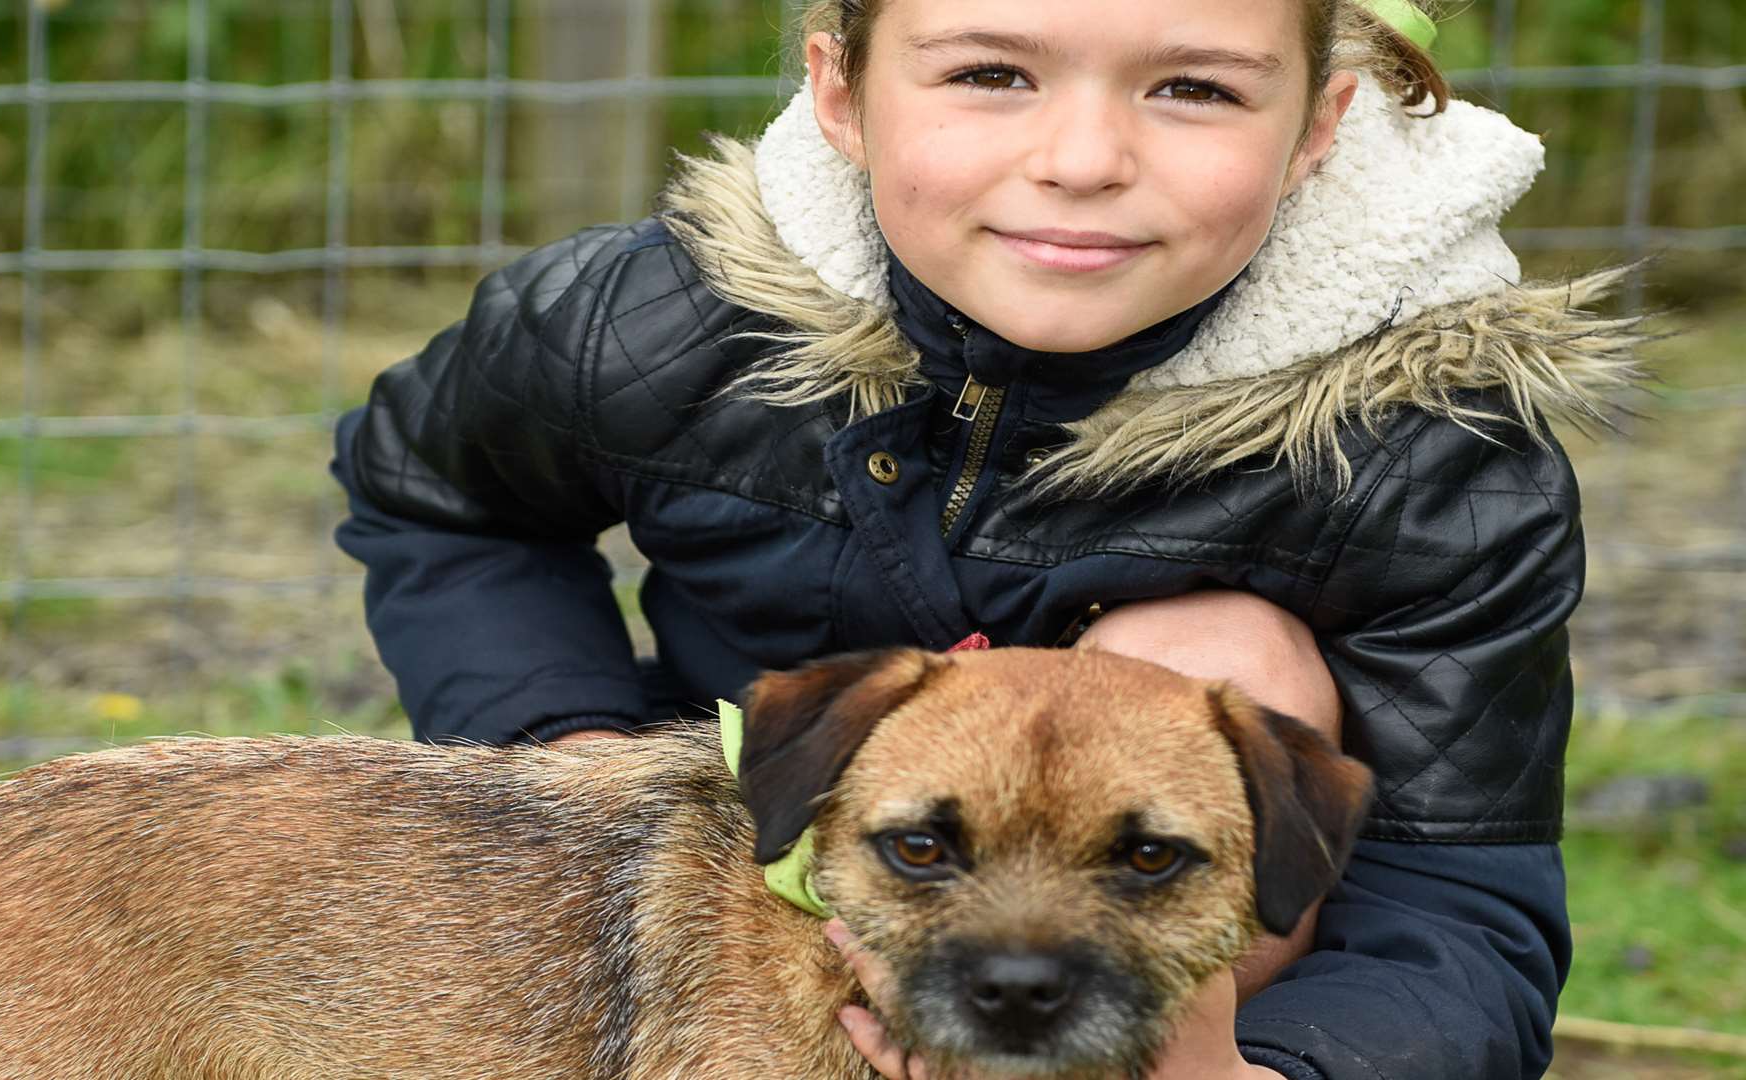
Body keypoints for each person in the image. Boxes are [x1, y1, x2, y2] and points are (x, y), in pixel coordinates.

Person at [329, 0, 1645, 1076]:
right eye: (992, 72)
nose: (1082, 160)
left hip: (1200, 986)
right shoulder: (655, 315)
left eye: (1192, 88)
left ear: (1318, 125)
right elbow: (445, 497)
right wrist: (566, 742)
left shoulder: (1425, 454)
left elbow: (1456, 903)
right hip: (763, 867)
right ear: (840, 91)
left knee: (1221, 652)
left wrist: (1294, 1069)